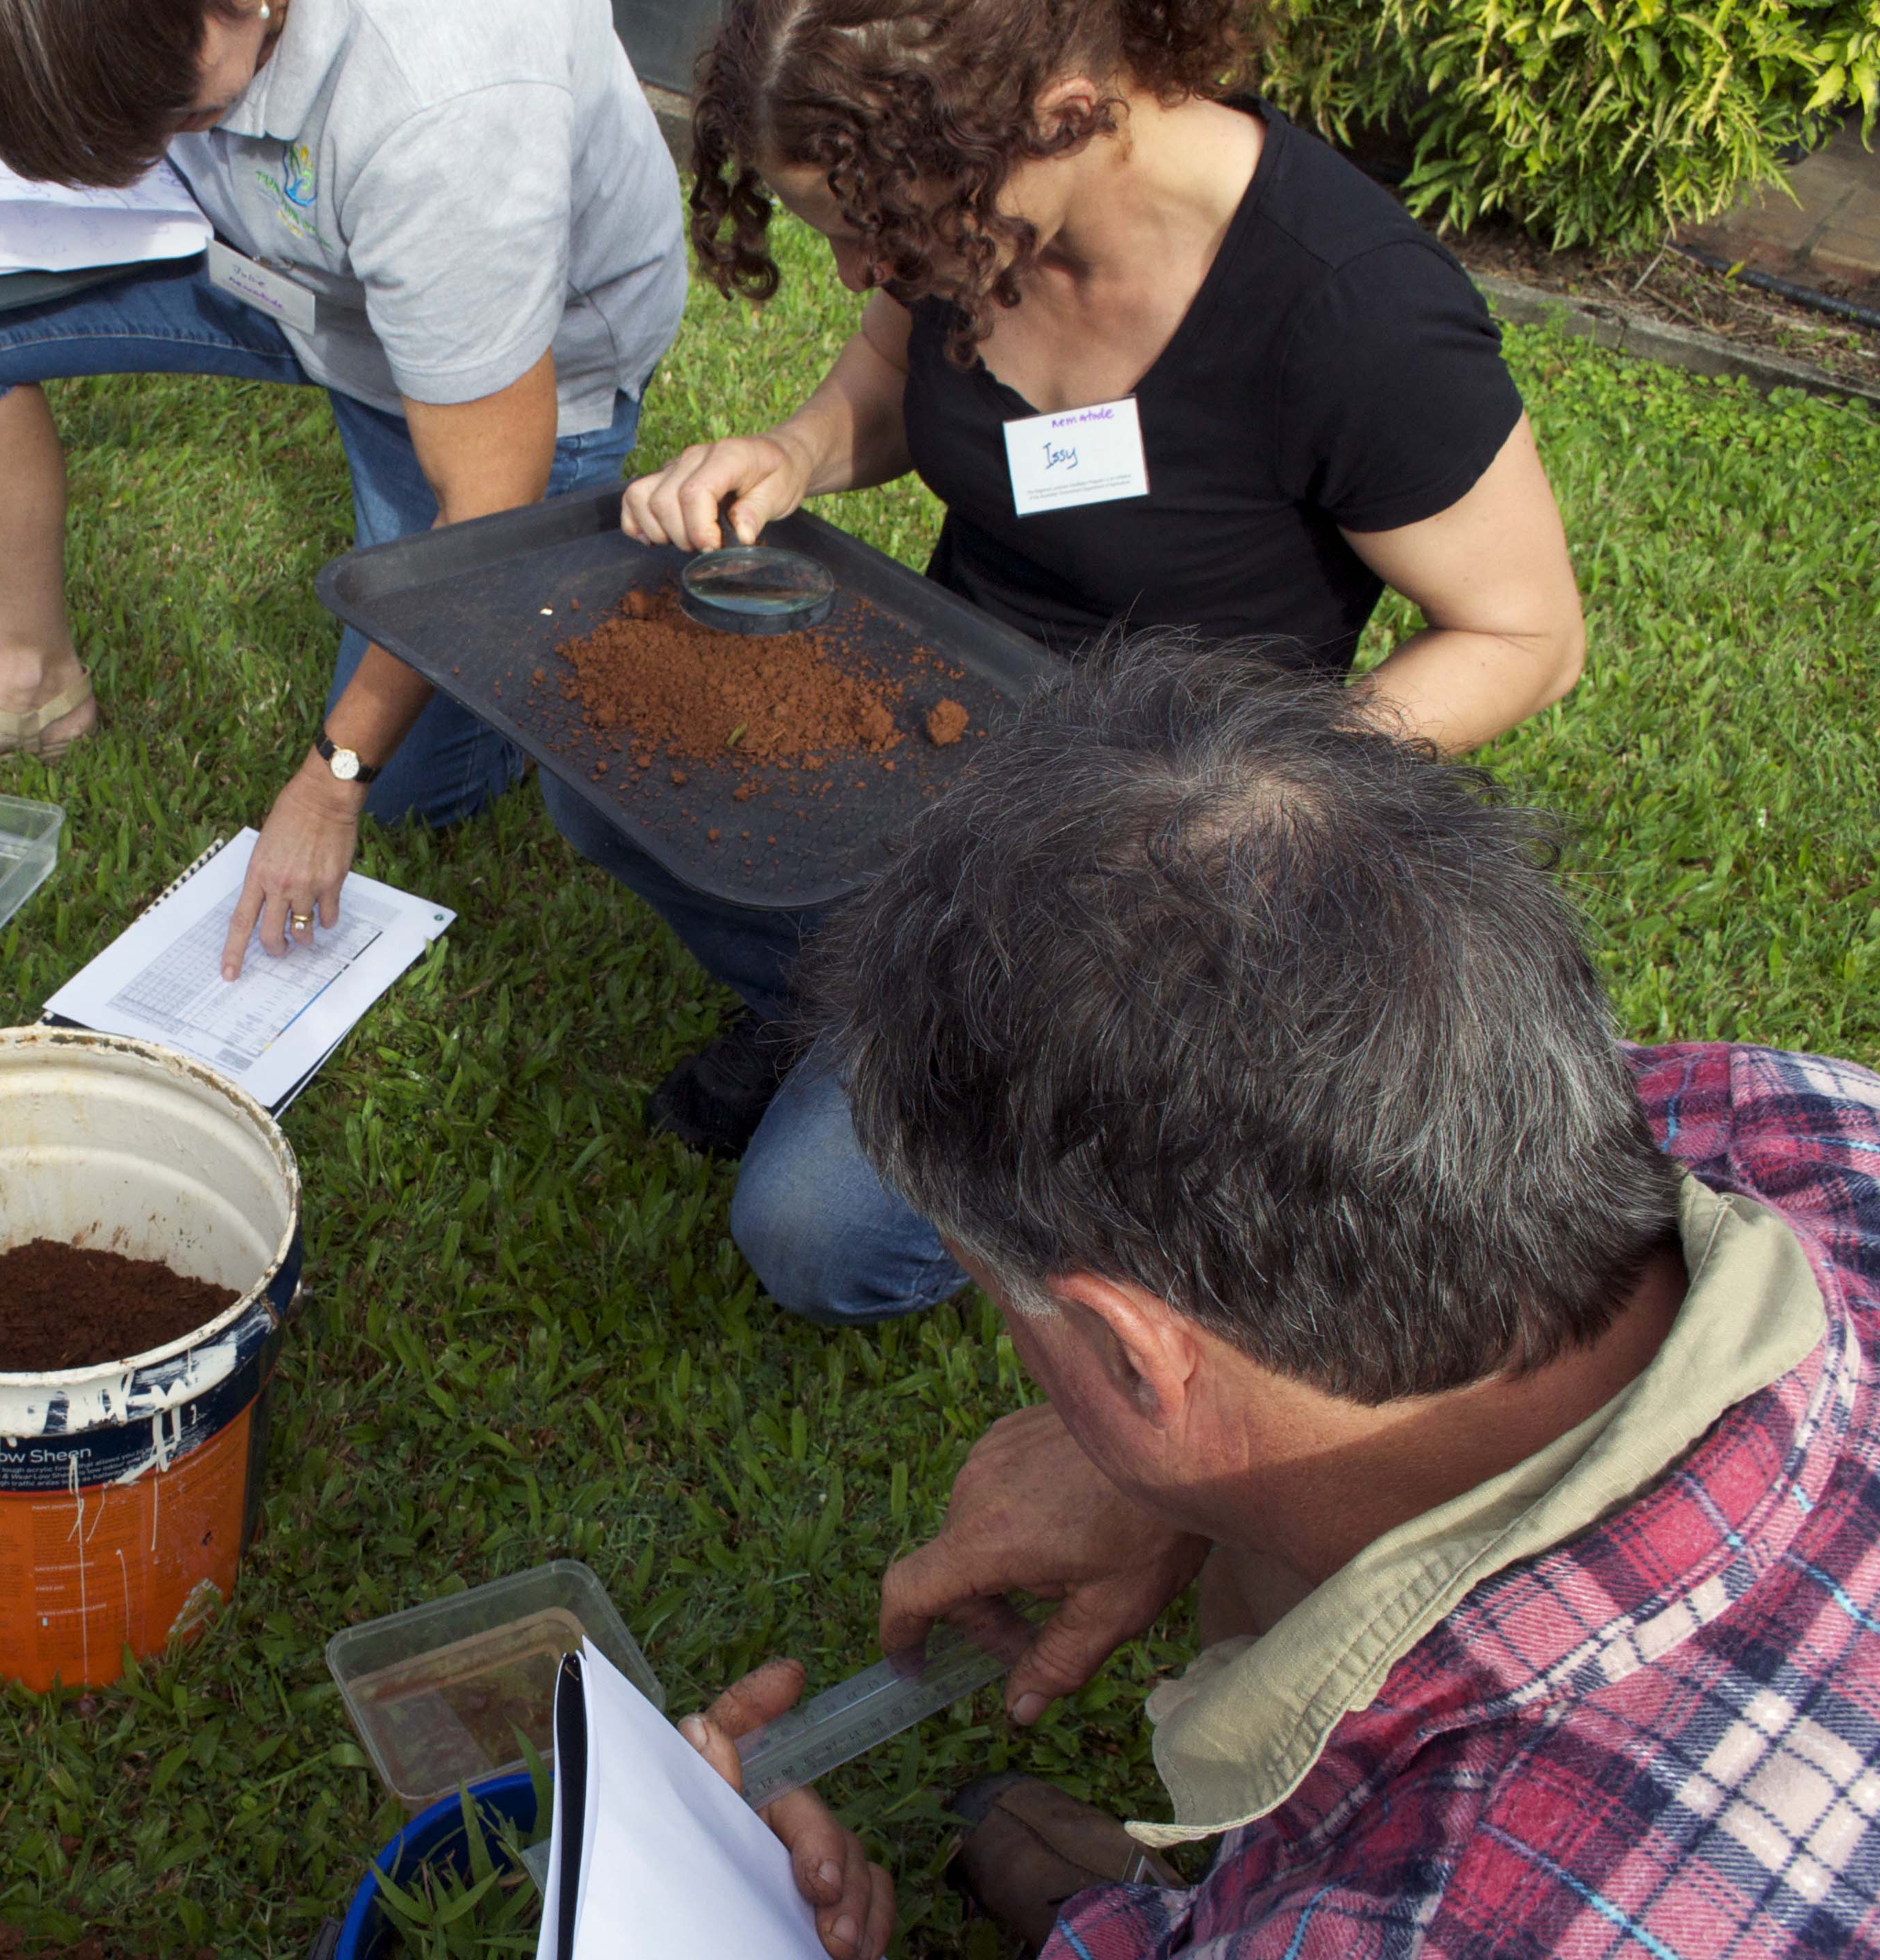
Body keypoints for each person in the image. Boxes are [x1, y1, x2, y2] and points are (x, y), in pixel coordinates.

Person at [815, 648, 1880, 1955]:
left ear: (1140, 1361)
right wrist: (1162, 1479)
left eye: (1017, 1317)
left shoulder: (1421, 1919)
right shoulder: (1799, 1116)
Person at [593, 0, 1587, 1323]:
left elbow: (1527, 633)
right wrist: (792, 453)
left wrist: (1250, 801)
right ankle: (846, 1005)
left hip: (1149, 840)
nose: (858, 272)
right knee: (603, 772)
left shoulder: (1353, 309)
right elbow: (886, 383)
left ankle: (1050, 1112)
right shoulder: (966, 205)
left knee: (815, 1237)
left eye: (878, 232)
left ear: (1059, 117)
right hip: (944, 718)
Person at [0, 0, 687, 970]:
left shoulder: (446, 104)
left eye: (180, 117)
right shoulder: (204, 48)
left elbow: (484, 507)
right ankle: (30, 681)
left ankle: (540, 624)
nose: (160, 142)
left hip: (508, 371)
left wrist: (334, 780)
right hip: (267, 264)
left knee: (409, 786)